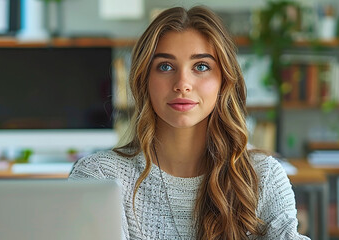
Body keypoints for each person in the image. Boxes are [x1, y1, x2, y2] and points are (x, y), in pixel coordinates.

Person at [69, 6, 309, 240]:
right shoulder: (99, 176)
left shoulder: (262, 176)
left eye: (201, 66)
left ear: (224, 81)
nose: (182, 83)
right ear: (144, 80)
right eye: (165, 66)